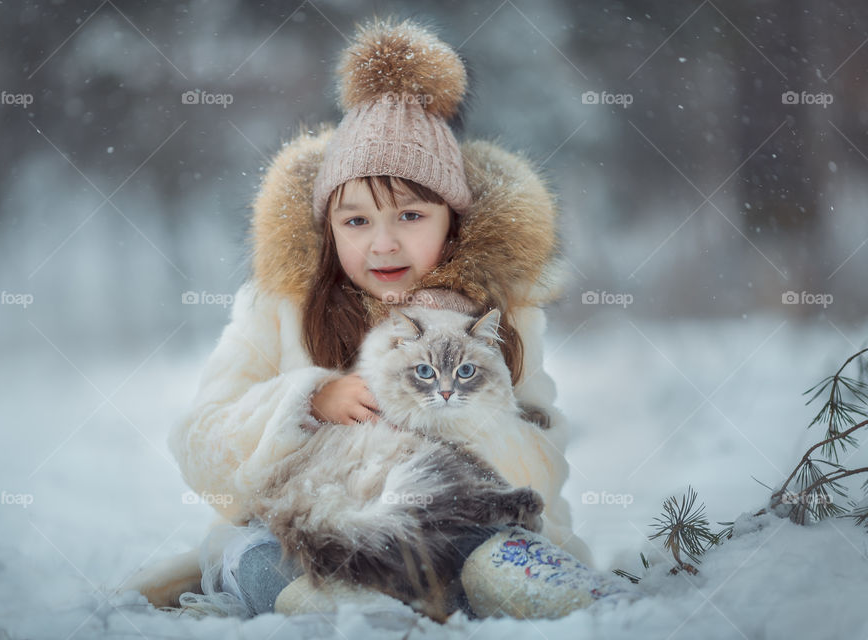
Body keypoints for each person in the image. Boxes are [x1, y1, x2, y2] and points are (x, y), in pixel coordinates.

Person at [120, 17, 611, 619]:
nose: (382, 245)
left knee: (496, 552)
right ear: (328, 228)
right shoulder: (279, 306)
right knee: (256, 556)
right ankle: (342, 598)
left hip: (449, 525)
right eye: (356, 221)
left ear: (450, 221)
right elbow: (199, 439)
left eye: (409, 216)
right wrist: (306, 401)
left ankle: (476, 586)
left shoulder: (492, 316)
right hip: (306, 526)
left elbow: (544, 460)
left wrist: (456, 415)